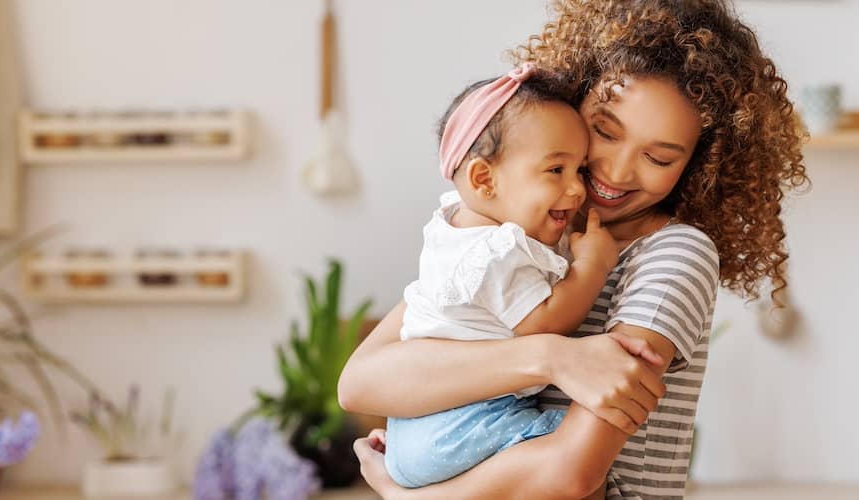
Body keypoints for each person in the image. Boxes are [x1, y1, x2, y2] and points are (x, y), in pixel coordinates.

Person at [339, 1, 807, 498]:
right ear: (574, 101)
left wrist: (406, 495)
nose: (618, 171)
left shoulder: (674, 256)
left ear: (698, 165)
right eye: (605, 131)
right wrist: (549, 356)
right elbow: (362, 383)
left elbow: (572, 472)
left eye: (658, 156)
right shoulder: (523, 232)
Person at [384, 63, 626, 488]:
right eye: (556, 170)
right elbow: (545, 324)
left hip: (418, 426)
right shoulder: (493, 253)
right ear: (484, 179)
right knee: (572, 454)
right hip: (460, 424)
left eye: (580, 170)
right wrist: (593, 266)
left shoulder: (456, 228)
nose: (576, 189)